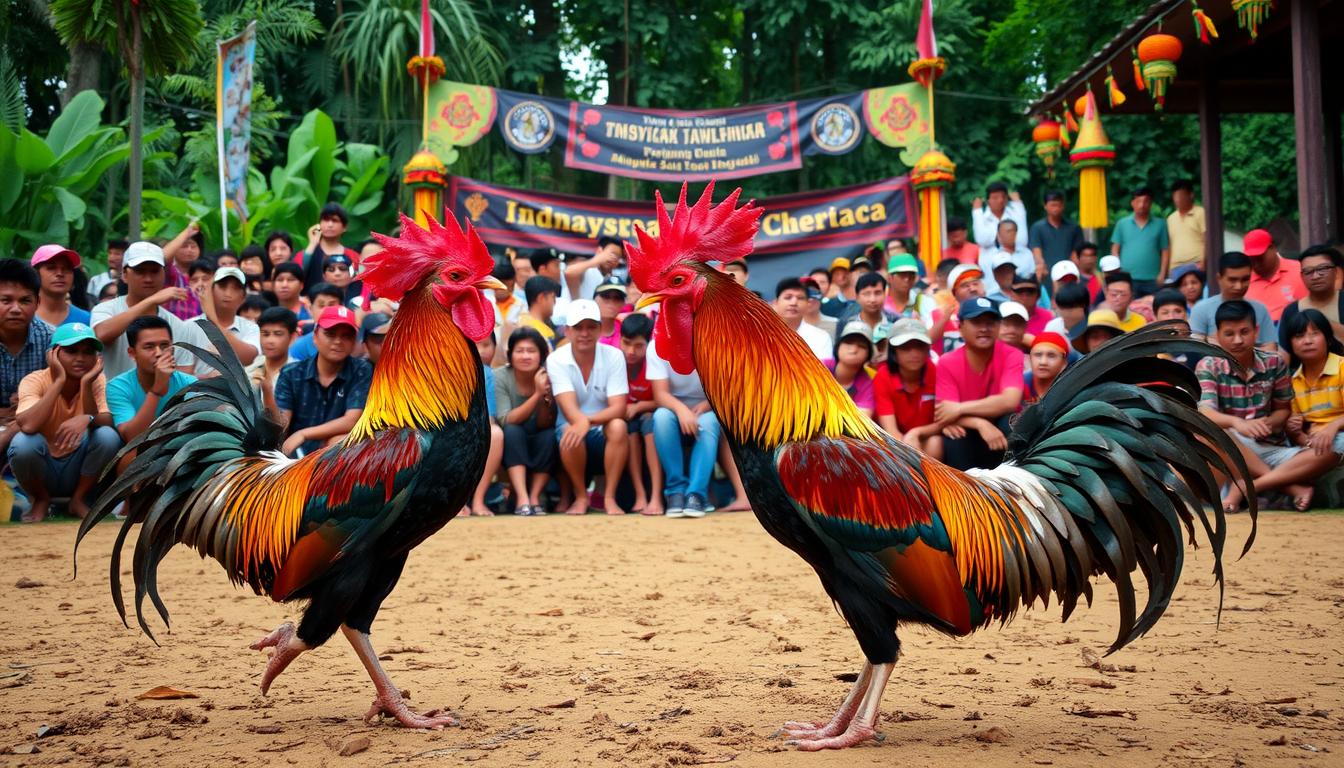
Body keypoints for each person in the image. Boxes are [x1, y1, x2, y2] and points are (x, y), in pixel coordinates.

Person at [1195, 300, 1309, 512]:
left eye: (1244, 331)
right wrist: (1238, 423)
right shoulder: (1208, 365)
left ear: (1256, 331)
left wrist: (1269, 422)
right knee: (1211, 432)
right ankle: (1288, 488)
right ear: (1217, 335)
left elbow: (1283, 409)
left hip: (1270, 447)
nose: (1238, 340)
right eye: (1229, 334)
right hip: (1231, 449)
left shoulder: (1275, 363)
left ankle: (1249, 485)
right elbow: (1205, 412)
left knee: (1327, 450)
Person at [10, 323, 118, 521]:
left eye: (88, 352)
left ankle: (78, 499)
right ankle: (41, 499)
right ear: (53, 354)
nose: (80, 358)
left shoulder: (96, 379)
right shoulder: (34, 380)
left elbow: (107, 420)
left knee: (107, 436)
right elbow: (28, 426)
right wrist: (59, 380)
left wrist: (87, 413)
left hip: (78, 468)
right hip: (44, 467)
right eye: (71, 351)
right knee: (23, 443)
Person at [547, 299, 628, 515]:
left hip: (602, 428)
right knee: (569, 430)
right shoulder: (556, 359)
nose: (585, 333)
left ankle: (609, 497)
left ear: (600, 329)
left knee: (618, 425)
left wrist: (587, 421)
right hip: (571, 429)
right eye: (578, 327)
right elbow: (568, 408)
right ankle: (581, 496)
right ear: (567, 331)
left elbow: (619, 408)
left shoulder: (614, 355)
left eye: (591, 326)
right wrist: (580, 422)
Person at [90, 241, 209, 378]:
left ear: (163, 274)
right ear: (124, 274)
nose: (148, 278)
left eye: (155, 271)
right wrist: (151, 300)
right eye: (140, 271)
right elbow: (102, 335)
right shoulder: (106, 309)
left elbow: (183, 379)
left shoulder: (177, 325)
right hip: (110, 398)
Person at [934, 297, 1024, 470]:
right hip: (970, 434)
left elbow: (1010, 401)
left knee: (1011, 423)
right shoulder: (947, 362)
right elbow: (945, 412)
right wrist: (980, 423)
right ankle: (961, 494)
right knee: (954, 435)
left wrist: (959, 409)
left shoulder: (1012, 354)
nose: (984, 328)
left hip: (1001, 431)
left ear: (998, 326)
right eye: (976, 322)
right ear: (960, 327)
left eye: (990, 322)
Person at [273, 306, 372, 456]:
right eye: (330, 334)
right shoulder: (291, 373)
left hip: (336, 455)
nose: (338, 341)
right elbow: (282, 425)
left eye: (346, 336)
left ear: (354, 342)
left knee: (344, 441)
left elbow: (352, 420)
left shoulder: (362, 370)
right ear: (315, 336)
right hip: (293, 454)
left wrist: (303, 434)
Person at [648, 331, 718, 519]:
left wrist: (703, 407)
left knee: (709, 423)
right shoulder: (656, 345)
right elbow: (660, 394)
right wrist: (682, 410)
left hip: (708, 406)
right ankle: (675, 492)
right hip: (672, 406)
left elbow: (723, 391)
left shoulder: (715, 343)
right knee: (661, 417)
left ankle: (697, 493)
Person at [1283, 309, 1344, 507]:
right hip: (1316, 446)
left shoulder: (1342, 367)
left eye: (1314, 333)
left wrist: (1332, 427)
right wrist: (1298, 433)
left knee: (1340, 442)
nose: (1307, 341)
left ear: (1327, 338)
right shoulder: (1294, 381)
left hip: (1339, 439)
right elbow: (1298, 433)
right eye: (1299, 335)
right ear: (1291, 344)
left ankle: (1256, 485)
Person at [495, 326, 557, 516]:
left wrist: (545, 398)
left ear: (541, 355)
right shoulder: (501, 377)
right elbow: (506, 419)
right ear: (510, 355)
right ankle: (522, 498)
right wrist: (538, 394)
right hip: (510, 442)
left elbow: (545, 423)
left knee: (548, 436)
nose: (525, 356)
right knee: (513, 431)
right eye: (519, 351)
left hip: (537, 436)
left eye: (531, 351)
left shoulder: (550, 376)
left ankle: (535, 497)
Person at [107, 316, 196, 443]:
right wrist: (156, 391)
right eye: (149, 347)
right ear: (132, 353)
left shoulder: (190, 384)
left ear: (173, 350)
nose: (158, 353)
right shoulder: (118, 387)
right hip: (138, 454)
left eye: (164, 345)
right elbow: (132, 438)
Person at [0, 260, 54, 466]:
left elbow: (59, 398)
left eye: (24, 301)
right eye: (6, 300)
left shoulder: (51, 340)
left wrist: (12, 427)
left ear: (37, 303)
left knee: (26, 444)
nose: (15, 309)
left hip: (36, 427)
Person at [873, 317, 941, 458]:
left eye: (920, 346)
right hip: (894, 443)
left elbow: (943, 421)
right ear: (893, 351)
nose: (914, 353)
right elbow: (891, 431)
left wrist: (916, 433)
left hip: (924, 437)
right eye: (905, 347)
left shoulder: (935, 371)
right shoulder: (882, 376)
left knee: (936, 442)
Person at [618, 314, 661, 516]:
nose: (630, 351)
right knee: (629, 429)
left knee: (648, 423)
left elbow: (663, 397)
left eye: (638, 346)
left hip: (652, 416)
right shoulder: (615, 360)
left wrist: (641, 405)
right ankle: (640, 495)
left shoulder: (654, 359)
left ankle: (656, 497)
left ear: (648, 344)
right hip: (625, 419)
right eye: (626, 343)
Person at [1188, 252, 1277, 349]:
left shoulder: (1260, 309)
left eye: (1245, 279)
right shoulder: (1201, 310)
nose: (1239, 286)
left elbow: (1270, 347)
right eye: (1232, 280)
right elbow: (1196, 349)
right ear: (1219, 278)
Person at [189, 266, 261, 374]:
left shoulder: (251, 328)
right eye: (222, 286)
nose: (228, 293)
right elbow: (181, 374)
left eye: (235, 288)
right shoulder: (189, 326)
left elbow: (249, 358)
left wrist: (215, 322)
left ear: (243, 298)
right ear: (211, 291)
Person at [465, 332, 504, 517]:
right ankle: (456, 503)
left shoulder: (487, 373)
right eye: (475, 344)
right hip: (453, 430)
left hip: (477, 430)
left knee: (495, 434)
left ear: (495, 347)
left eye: (487, 345)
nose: (480, 351)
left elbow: (490, 418)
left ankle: (479, 499)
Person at [1110, 187, 1170, 295]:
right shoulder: (1122, 224)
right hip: (1128, 277)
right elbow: (1115, 249)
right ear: (1132, 203)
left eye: (1146, 201)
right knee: (1131, 309)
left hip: (1153, 278)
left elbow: (1165, 250)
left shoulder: (1160, 224)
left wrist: (1162, 273)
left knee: (1152, 308)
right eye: (1138, 201)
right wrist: (1118, 270)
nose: (1142, 205)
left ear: (1151, 203)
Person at [1280, 245, 1344, 345]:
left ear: (1336, 272)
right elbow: (1285, 353)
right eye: (1308, 272)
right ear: (1301, 276)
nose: (1316, 276)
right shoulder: (1292, 311)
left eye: (1323, 269)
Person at [1242, 228, 1306, 322]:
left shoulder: (1300, 270)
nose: (1255, 262)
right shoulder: (1244, 280)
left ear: (1272, 248)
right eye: (1251, 258)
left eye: (1259, 257)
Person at [299, 203, 361, 291]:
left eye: (335, 220)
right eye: (325, 220)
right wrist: (312, 244)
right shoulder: (309, 252)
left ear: (344, 227)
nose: (330, 225)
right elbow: (297, 274)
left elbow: (358, 280)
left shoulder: (353, 256)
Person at [930, 263, 988, 354]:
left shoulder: (995, 311)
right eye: (965, 285)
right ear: (954, 292)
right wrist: (944, 320)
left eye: (975, 283)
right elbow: (927, 341)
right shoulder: (941, 313)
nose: (972, 289)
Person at [31, 245, 91, 329]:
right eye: (51, 268)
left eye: (67, 268)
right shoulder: (23, 317)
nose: (60, 273)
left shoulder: (86, 320)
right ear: (35, 273)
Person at [1028, 190, 1084, 282]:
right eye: (1053, 205)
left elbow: (1076, 253)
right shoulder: (1037, 227)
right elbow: (1036, 252)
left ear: (1063, 206)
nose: (1056, 208)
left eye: (1058, 205)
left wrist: (1071, 270)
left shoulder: (1074, 228)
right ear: (1045, 206)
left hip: (1068, 274)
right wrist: (1041, 267)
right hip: (1046, 273)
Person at [775, 277, 835, 362]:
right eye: (788, 298)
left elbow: (822, 371)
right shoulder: (761, 335)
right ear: (776, 302)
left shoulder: (821, 337)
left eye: (800, 298)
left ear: (807, 304)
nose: (793, 303)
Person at [287, 283, 349, 361]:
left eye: (331, 305)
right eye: (321, 305)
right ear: (310, 309)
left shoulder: (352, 340)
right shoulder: (299, 346)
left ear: (342, 307)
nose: (326, 310)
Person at [827, 322, 876, 417]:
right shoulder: (820, 366)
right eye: (848, 342)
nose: (853, 350)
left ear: (868, 355)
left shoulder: (867, 384)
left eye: (862, 346)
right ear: (838, 346)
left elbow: (862, 422)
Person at [248, 307, 299, 390]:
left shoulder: (299, 374)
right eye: (265, 334)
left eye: (278, 334)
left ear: (292, 337)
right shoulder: (248, 368)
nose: (270, 341)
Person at [971, 182, 1027, 251]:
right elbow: (981, 240)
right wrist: (977, 211)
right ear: (988, 201)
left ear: (1007, 198)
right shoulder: (981, 217)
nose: (1000, 200)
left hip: (1015, 258)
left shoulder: (1015, 214)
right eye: (995, 198)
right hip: (990, 259)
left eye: (1003, 197)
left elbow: (1022, 240)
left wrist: (1017, 202)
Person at [565, 235, 623, 301]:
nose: (614, 259)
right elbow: (569, 272)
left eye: (618, 257)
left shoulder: (612, 280)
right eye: (612, 254)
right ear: (599, 251)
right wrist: (597, 260)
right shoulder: (586, 268)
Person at [979, 220, 1033, 287]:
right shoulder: (988, 256)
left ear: (1016, 233)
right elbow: (987, 282)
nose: (1008, 235)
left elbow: (1032, 276)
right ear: (998, 235)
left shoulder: (1027, 254)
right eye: (1004, 232)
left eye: (1010, 231)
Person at [884, 254, 935, 323]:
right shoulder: (879, 301)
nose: (907, 279)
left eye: (911, 274)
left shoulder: (924, 302)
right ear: (889, 277)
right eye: (902, 274)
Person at [1166, 179, 1206, 270]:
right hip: (1175, 267)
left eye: (1181, 195)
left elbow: (1207, 240)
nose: (1178, 199)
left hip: (1197, 264)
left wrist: (1204, 262)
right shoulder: (1170, 218)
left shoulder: (1201, 213)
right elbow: (1169, 245)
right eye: (1175, 196)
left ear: (1191, 195)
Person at [1023, 332, 1069, 405]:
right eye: (1038, 355)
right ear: (1030, 358)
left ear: (1064, 362)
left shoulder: (1071, 389)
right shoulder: (1019, 386)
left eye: (1051, 356)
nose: (1043, 362)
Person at [518, 275, 561, 348]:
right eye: (553, 297)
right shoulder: (543, 332)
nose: (554, 302)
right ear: (541, 298)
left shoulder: (518, 320)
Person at [1011, 275, 1054, 339]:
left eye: (1030, 292)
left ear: (1038, 295)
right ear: (1012, 294)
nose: (1024, 296)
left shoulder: (1049, 318)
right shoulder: (1002, 317)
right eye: (1019, 291)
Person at [87, 238, 128, 303]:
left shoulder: (131, 281)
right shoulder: (96, 280)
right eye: (110, 253)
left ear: (126, 256)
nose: (111, 257)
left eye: (117, 254)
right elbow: (89, 302)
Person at [594, 274, 627, 347]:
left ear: (623, 303)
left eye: (617, 298)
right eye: (606, 296)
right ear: (595, 298)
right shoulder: (583, 328)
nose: (611, 302)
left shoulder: (627, 330)